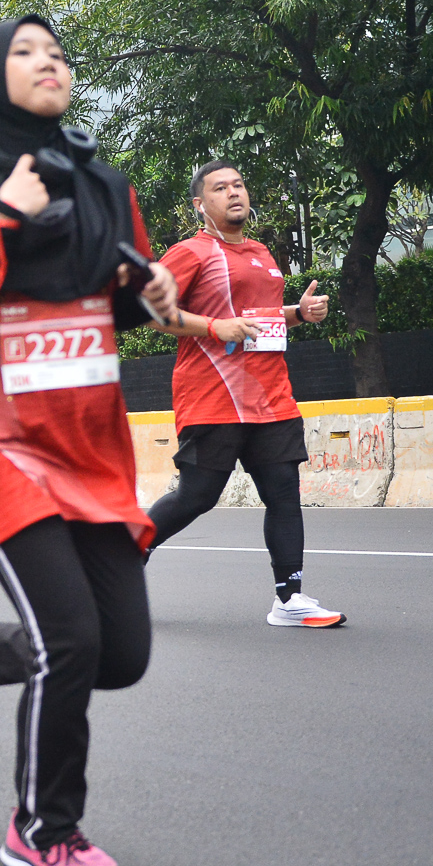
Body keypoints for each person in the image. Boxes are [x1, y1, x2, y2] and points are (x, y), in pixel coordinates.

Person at [0, 16, 176, 866]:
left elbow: (114, 303)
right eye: (24, 52)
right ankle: (43, 830)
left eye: (56, 50)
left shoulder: (105, 185)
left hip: (90, 450)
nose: (47, 60)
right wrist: (1, 222)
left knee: (119, 655)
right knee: (68, 640)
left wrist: (150, 289)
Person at [140, 162, 343, 627]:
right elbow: (149, 312)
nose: (234, 193)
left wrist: (298, 313)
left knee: (284, 492)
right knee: (197, 496)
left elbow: (256, 319)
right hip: (213, 396)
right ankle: (127, 552)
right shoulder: (190, 252)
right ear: (200, 204)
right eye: (220, 188)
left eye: (238, 185)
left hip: (270, 396)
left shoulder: (260, 252)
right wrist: (214, 327)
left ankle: (289, 599)